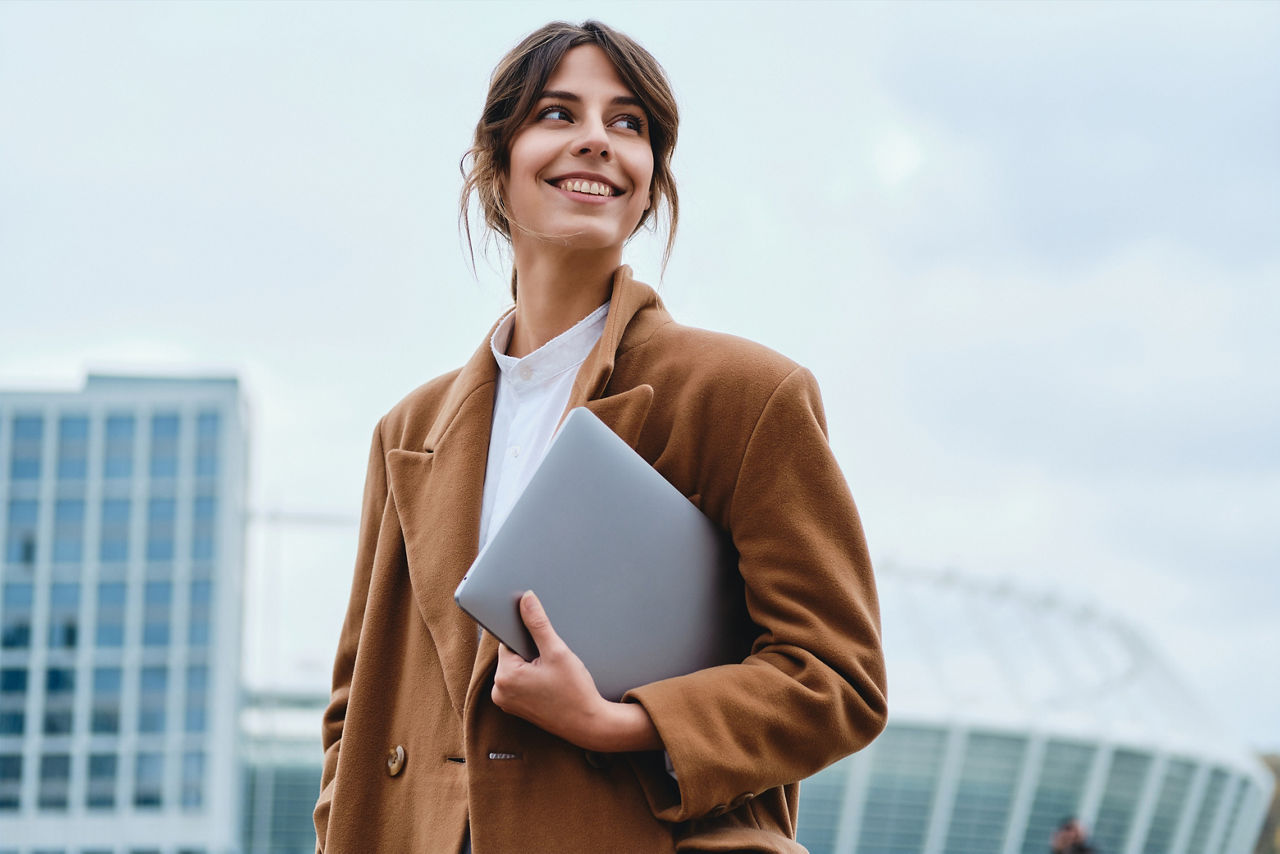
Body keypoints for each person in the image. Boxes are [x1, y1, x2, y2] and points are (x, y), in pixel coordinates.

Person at [313, 20, 887, 854]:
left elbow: (838, 679)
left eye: (628, 124)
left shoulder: (743, 395)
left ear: (650, 183)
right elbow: (354, 713)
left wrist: (621, 722)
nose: (595, 141)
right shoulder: (408, 431)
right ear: (495, 164)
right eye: (558, 114)